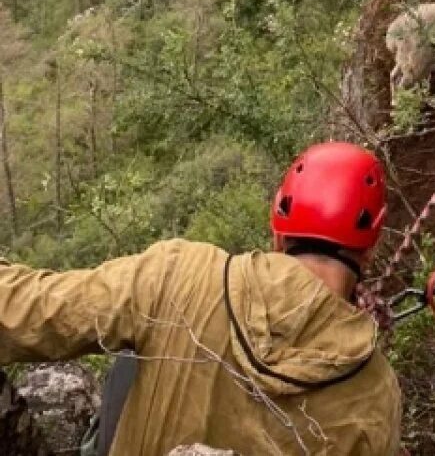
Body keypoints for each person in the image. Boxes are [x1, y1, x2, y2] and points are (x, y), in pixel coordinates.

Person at [0, 142, 403, 455]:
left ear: (278, 228)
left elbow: (32, 311)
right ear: (371, 243)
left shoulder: (180, 275)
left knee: (130, 362)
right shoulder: (375, 393)